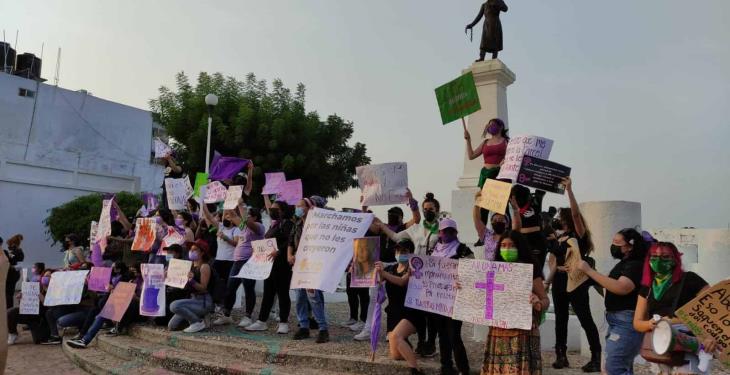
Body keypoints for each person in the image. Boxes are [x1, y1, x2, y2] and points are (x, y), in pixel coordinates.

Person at [571, 228, 648, 375]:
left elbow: (622, 287)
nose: (614, 246)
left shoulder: (635, 265)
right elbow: (609, 284)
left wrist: (589, 271)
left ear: (630, 246)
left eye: (618, 243)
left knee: (613, 367)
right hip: (616, 320)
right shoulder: (624, 263)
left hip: (626, 321)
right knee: (619, 367)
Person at [544, 177, 601, 371]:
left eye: (561, 215)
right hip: (560, 281)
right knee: (561, 318)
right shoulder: (557, 239)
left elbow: (577, 216)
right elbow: (554, 261)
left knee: (585, 318)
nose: (557, 218)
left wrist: (569, 190)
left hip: (577, 281)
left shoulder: (579, 236)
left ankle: (596, 357)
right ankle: (561, 356)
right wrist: (551, 277)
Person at [633, 242, 715, 375]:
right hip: (662, 347)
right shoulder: (646, 288)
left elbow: (714, 307)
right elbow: (637, 323)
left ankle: (700, 348)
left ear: (675, 259)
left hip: (688, 344)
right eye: (654, 256)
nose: (659, 260)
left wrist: (710, 336)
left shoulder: (690, 279)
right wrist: (650, 324)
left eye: (665, 256)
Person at [378, 192, 442, 357]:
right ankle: (421, 341)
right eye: (425, 209)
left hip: (435, 274)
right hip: (416, 273)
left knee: (432, 311)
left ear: (437, 210)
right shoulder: (416, 228)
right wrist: (381, 226)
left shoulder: (443, 228)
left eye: (431, 209)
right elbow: (396, 237)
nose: (428, 211)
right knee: (419, 310)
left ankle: (431, 343)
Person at [480, 231, 550, 375]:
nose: (507, 249)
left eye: (511, 246)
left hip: (523, 332)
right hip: (499, 329)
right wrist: (462, 287)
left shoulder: (530, 271)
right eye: (503, 245)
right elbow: (479, 292)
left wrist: (538, 303)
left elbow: (545, 300)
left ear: (520, 248)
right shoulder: (492, 271)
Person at [431, 218, 474, 375]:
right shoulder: (432, 250)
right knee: (442, 335)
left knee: (454, 335)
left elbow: (472, 272)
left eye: (451, 230)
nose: (447, 233)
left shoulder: (464, 250)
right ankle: (446, 366)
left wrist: (463, 281)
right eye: (444, 230)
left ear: (455, 232)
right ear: (439, 232)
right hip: (436, 299)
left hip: (455, 300)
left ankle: (464, 368)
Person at [245, 197, 295, 334]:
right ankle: (262, 321)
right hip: (270, 265)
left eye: (275, 209)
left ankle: (284, 322)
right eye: (271, 209)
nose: (272, 211)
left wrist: (278, 251)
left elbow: (290, 242)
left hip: (282, 266)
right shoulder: (273, 225)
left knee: (283, 293)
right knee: (268, 293)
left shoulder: (288, 224)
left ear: (283, 211)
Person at [67, 263, 143, 348]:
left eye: (134, 270)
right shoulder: (133, 280)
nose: (132, 271)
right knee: (102, 313)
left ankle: (117, 326)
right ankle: (84, 339)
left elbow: (146, 304)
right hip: (122, 308)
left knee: (107, 308)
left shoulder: (145, 283)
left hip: (136, 311)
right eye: (131, 270)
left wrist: (135, 297)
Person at [378, 243, 426, 375]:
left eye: (404, 251)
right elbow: (377, 280)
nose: (400, 253)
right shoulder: (391, 268)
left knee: (395, 336)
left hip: (411, 312)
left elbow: (401, 282)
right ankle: (406, 346)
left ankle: (415, 369)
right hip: (393, 312)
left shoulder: (413, 268)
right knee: (395, 355)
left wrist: (383, 273)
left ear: (410, 252)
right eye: (398, 250)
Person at [215, 202, 265, 327]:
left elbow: (245, 221)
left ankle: (248, 316)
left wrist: (242, 204)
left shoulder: (258, 227)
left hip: (249, 261)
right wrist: (230, 201)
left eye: (249, 215)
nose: (245, 216)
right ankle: (226, 315)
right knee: (230, 288)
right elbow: (231, 215)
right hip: (237, 261)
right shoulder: (243, 227)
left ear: (255, 217)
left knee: (248, 288)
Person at [289, 195, 330, 343]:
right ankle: (304, 327)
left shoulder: (318, 225)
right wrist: (290, 255)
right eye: (297, 206)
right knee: (300, 296)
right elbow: (291, 241)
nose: (298, 209)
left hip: (313, 265)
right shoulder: (297, 223)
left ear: (310, 208)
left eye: (301, 206)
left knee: (313, 296)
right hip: (299, 265)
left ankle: (323, 328)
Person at [464, 118, 509, 245]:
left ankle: (506, 234)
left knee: (502, 208)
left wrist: (505, 161)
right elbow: (471, 155)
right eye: (488, 125)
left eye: (493, 125)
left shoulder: (506, 142)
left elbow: (513, 158)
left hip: (500, 176)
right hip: (486, 176)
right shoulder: (485, 142)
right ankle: (482, 236)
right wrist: (468, 140)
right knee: (483, 208)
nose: (490, 127)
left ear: (501, 127)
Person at [168, 239, 214, 333]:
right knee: (172, 326)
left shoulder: (204, 266)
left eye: (195, 250)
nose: (191, 251)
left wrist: (192, 281)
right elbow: (183, 286)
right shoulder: (189, 266)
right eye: (191, 249)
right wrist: (169, 276)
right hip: (192, 299)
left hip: (203, 301)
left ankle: (197, 322)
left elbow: (203, 288)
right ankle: (201, 317)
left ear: (202, 253)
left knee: (174, 306)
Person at [200, 203, 240, 311]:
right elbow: (209, 217)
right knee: (214, 282)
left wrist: (226, 238)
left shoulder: (236, 230)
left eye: (228, 215)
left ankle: (226, 309)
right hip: (218, 260)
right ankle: (214, 304)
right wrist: (203, 204)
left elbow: (236, 243)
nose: (226, 217)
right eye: (225, 215)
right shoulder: (221, 226)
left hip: (230, 261)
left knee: (228, 286)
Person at [7, 268, 52, 345]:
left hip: (42, 319)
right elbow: (27, 305)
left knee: (39, 340)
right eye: (45, 277)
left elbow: (53, 310)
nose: (46, 279)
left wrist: (44, 301)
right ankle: (13, 333)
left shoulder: (56, 290)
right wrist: (21, 298)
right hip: (31, 314)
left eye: (49, 277)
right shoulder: (38, 288)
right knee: (11, 312)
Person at [4, 234, 24, 309]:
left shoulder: (16, 252)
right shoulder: (15, 252)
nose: (8, 246)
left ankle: (9, 309)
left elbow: (18, 261)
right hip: (12, 274)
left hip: (12, 275)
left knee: (8, 293)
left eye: (9, 245)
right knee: (8, 293)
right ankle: (8, 308)